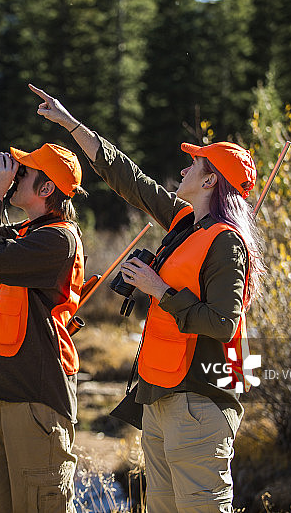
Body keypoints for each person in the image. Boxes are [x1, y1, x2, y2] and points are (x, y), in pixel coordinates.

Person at [29, 83, 266, 512]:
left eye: (194, 164)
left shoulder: (227, 243)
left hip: (200, 401)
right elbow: (130, 179)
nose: (184, 168)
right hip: (161, 396)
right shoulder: (184, 221)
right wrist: (71, 125)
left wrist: (160, 290)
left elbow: (222, 324)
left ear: (210, 180)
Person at [0, 143, 88, 512]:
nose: (14, 175)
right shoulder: (29, 231)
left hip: (35, 397)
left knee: (38, 503)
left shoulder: (58, 240)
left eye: (23, 173)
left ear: (46, 189)